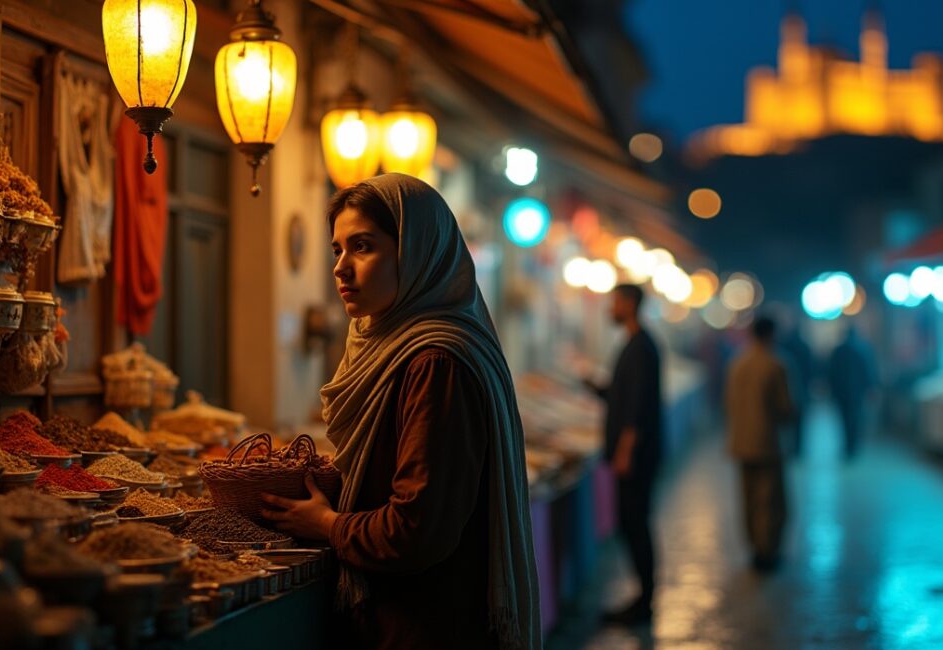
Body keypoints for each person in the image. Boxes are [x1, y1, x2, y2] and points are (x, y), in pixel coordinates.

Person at [259, 174, 540, 649]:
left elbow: (415, 530)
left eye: (363, 247)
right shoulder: (394, 348)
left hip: (424, 626)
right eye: (337, 250)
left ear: (415, 253)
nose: (341, 268)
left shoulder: (435, 363)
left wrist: (326, 524)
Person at [583, 284, 663, 626]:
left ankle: (644, 602)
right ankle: (642, 598)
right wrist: (591, 382)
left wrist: (625, 452)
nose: (609, 309)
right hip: (633, 454)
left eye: (613, 302)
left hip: (636, 457)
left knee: (636, 525)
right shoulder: (635, 345)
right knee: (632, 524)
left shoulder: (641, 347)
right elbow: (621, 396)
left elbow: (637, 407)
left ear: (629, 304)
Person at [724, 316, 793, 572]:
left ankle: (754, 547)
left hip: (741, 442)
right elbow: (786, 407)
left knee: (748, 498)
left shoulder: (736, 364)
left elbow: (727, 404)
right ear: (771, 335)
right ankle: (767, 551)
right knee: (769, 500)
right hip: (767, 443)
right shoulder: (775, 365)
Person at [829, 323, 878, 460]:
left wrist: (831, 390)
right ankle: (853, 446)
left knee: (844, 420)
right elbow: (869, 370)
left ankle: (848, 445)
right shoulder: (863, 349)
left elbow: (831, 372)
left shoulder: (838, 351)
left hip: (841, 392)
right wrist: (871, 388)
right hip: (857, 392)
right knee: (855, 419)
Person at [776, 308, 813, 458]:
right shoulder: (804, 346)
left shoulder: (783, 346)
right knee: (800, 423)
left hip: (786, 389)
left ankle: (786, 448)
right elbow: (811, 368)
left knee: (785, 422)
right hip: (802, 390)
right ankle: (798, 449)